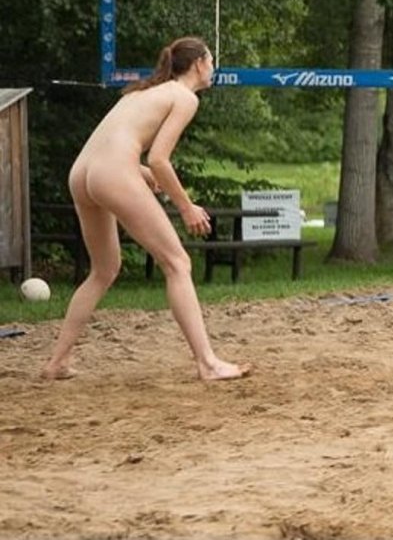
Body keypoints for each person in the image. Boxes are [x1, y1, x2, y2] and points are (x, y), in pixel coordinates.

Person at [41, 37, 250, 381]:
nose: (214, 67)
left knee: (104, 269)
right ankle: (208, 363)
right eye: (211, 60)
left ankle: (57, 362)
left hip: (82, 172)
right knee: (178, 262)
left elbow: (116, 143)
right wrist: (185, 207)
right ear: (198, 63)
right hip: (111, 173)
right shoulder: (184, 97)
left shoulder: (143, 91)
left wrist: (140, 170)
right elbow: (159, 158)